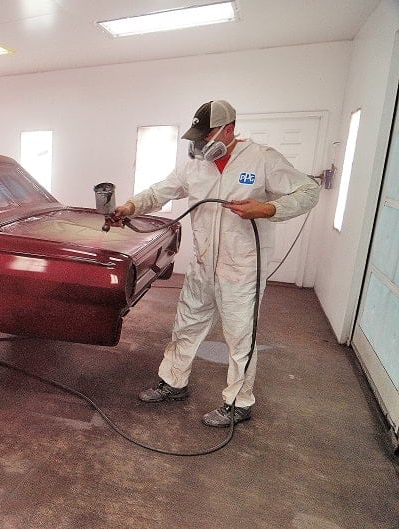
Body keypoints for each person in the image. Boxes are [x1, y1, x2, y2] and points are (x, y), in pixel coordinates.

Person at [113, 100, 320, 427]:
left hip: (243, 269)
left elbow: (308, 191)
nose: (200, 144)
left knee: (240, 338)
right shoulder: (195, 166)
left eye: (206, 136)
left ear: (229, 129)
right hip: (203, 264)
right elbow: (160, 191)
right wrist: (131, 206)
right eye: (196, 136)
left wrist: (267, 209)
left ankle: (239, 403)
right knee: (186, 326)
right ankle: (173, 382)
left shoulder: (262, 159)